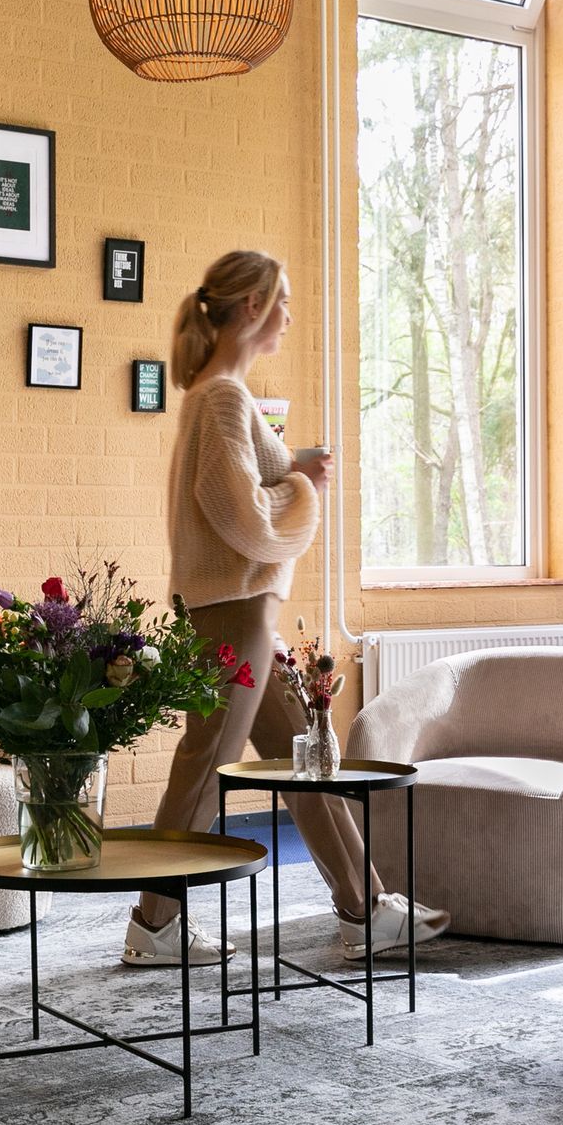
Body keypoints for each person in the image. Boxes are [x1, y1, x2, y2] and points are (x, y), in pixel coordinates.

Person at [123, 250, 451, 967]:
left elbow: (235, 487)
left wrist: (291, 463)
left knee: (303, 764)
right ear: (251, 307)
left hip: (242, 613)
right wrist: (304, 487)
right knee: (205, 765)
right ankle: (153, 924)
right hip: (233, 613)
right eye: (284, 302)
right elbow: (239, 516)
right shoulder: (222, 398)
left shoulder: (219, 396)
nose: (290, 316)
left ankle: (366, 909)